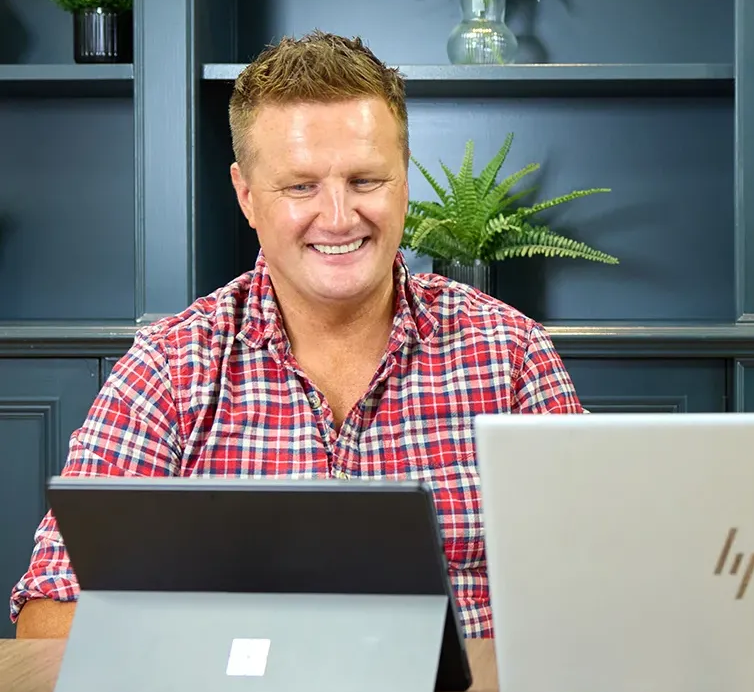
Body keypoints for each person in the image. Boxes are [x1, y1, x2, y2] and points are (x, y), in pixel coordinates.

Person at [9, 31, 585, 638]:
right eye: (300, 186)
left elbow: (603, 580)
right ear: (247, 196)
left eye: (366, 181)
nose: (338, 217)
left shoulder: (512, 355)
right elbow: (48, 614)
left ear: (404, 182)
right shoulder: (167, 370)